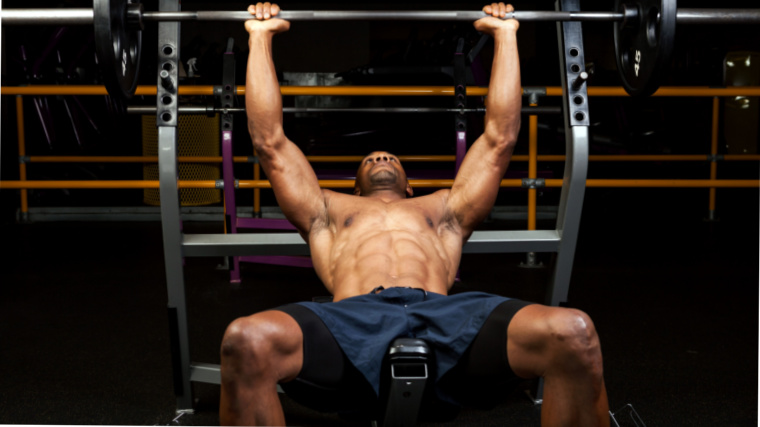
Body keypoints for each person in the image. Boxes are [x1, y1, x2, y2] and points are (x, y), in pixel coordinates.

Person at [220, 3, 609, 426]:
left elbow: (500, 139)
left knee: (573, 332)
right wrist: (260, 38)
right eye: (370, 158)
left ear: (410, 186)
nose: (382, 155)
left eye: (390, 157)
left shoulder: (444, 207)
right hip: (352, 318)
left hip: (447, 318)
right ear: (354, 185)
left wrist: (506, 35)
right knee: (246, 339)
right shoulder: (327, 208)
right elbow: (270, 143)